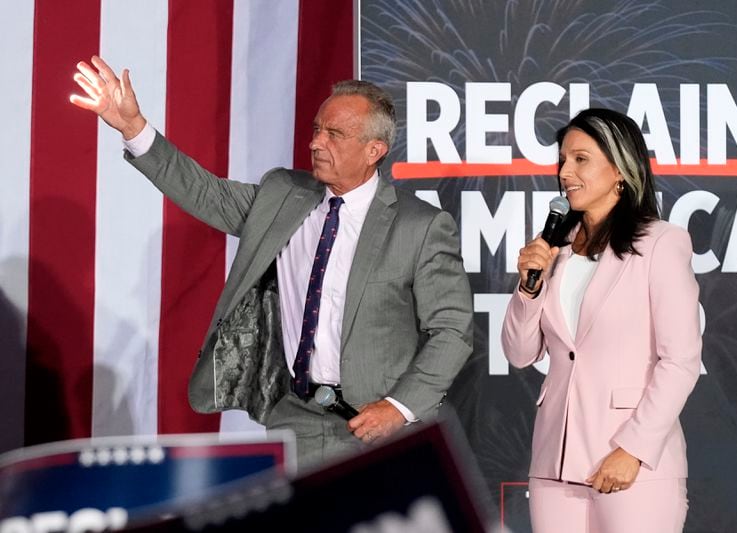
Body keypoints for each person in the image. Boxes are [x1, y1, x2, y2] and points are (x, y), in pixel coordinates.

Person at [70, 56, 473, 471]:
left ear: (374, 150)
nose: (316, 143)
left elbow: (453, 330)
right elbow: (205, 193)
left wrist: (399, 407)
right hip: (291, 419)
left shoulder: (419, 226)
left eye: (335, 134)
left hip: (373, 427)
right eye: (317, 129)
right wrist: (134, 129)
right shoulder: (283, 194)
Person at [501, 108, 701, 532]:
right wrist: (529, 288)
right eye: (562, 160)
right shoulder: (556, 250)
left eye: (580, 159)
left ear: (620, 170)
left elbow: (680, 360)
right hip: (554, 462)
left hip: (632, 462)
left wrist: (633, 449)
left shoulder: (661, 243)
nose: (564, 172)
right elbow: (519, 353)